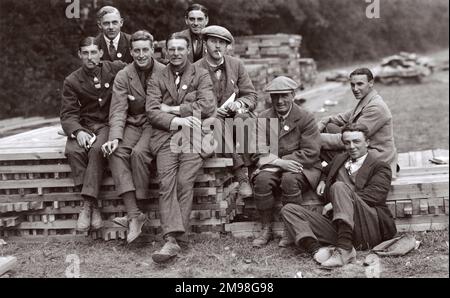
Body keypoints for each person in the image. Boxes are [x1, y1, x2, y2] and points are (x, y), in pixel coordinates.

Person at [281, 123, 397, 267]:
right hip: (338, 227)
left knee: (339, 186)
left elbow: (376, 195)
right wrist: (323, 180)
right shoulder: (340, 159)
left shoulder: (379, 165)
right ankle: (316, 250)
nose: (352, 146)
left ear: (367, 142)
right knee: (289, 209)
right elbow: (325, 170)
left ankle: (344, 250)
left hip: (368, 227)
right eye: (347, 142)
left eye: (356, 141)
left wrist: (336, 201)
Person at [146, 33, 216, 263]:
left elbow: (206, 105)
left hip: (193, 137)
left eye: (180, 49)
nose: (175, 53)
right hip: (166, 136)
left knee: (185, 182)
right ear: (165, 52)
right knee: (167, 183)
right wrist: (177, 119)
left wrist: (174, 109)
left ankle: (173, 239)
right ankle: (173, 239)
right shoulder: (157, 76)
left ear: (188, 50)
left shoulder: (201, 73)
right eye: (171, 49)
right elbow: (153, 110)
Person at [101, 30, 165, 243]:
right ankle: (134, 214)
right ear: (131, 51)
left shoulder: (164, 72)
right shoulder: (123, 75)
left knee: (139, 153)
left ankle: (138, 210)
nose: (141, 55)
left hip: (155, 123)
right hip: (133, 122)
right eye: (136, 50)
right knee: (116, 152)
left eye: (145, 50)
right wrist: (114, 137)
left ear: (153, 49)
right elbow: (118, 110)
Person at [60, 37, 126, 232]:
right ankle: (93, 206)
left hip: (107, 123)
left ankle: (87, 204)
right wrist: (78, 131)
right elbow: (68, 113)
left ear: (101, 53)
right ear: (80, 55)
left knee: (98, 149)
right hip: (85, 125)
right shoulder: (72, 80)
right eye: (85, 53)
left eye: (93, 52)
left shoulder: (115, 68)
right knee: (73, 151)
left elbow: (140, 67)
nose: (90, 57)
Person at [251, 76, 322, 248]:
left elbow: (311, 152)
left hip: (302, 166)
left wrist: (284, 162)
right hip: (274, 165)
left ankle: (291, 229)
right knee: (261, 180)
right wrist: (280, 163)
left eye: (284, 95)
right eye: (275, 96)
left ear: (293, 95)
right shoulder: (263, 117)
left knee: (289, 180)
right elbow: (257, 151)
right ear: (270, 98)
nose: (280, 101)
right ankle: (266, 228)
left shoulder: (306, 117)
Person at [194, 25, 257, 198]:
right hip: (211, 122)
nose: (218, 46)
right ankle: (240, 174)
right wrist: (212, 110)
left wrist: (239, 104)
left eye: (222, 43)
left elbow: (251, 95)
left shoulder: (236, 65)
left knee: (245, 118)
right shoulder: (195, 68)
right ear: (205, 43)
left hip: (234, 118)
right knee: (217, 123)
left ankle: (252, 172)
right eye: (213, 41)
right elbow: (190, 101)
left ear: (227, 46)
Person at [318, 67, 398, 176]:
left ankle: (324, 176)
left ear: (371, 83)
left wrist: (313, 137)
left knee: (319, 144)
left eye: (360, 84)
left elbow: (350, 139)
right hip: (363, 149)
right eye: (352, 85)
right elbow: (342, 117)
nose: (355, 89)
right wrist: (323, 121)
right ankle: (323, 173)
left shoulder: (376, 107)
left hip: (376, 157)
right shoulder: (367, 100)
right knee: (329, 127)